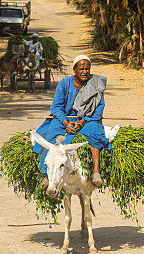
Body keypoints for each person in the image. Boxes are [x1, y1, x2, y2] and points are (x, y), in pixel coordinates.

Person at [34, 55, 109, 188]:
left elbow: (99, 107)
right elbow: (56, 107)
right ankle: (46, 175)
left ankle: (96, 172)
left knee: (95, 133)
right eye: (81, 69)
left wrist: (82, 122)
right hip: (66, 118)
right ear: (74, 70)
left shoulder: (96, 84)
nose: (85, 71)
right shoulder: (65, 83)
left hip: (88, 118)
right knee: (49, 135)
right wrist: (66, 123)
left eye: (87, 68)